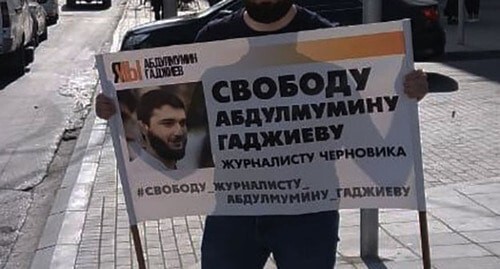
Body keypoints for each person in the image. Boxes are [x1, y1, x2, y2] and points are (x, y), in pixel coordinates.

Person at [95, 0, 429, 267]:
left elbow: (370, 145)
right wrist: (116, 109)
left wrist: (405, 94)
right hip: (233, 211)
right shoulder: (213, 41)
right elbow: (186, 131)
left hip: (308, 215)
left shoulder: (326, 42)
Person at [134, 90, 188, 171]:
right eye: (168, 123)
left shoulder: (189, 172)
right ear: (143, 128)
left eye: (182, 123)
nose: (179, 132)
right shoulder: (133, 175)